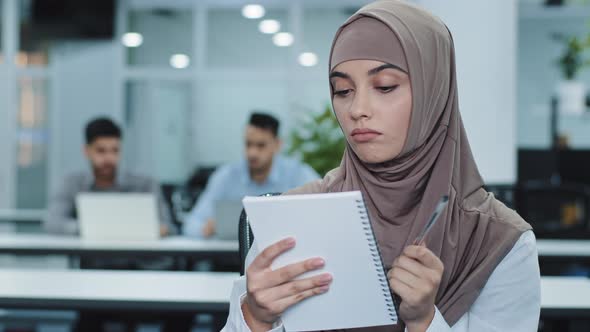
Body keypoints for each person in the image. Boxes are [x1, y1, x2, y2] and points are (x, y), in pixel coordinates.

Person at [222, 1, 540, 331]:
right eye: (342, 90)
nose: (357, 109)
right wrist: (256, 317)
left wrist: (425, 321)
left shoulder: (497, 241)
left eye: (385, 85)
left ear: (435, 93)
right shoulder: (294, 217)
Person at [45, 117, 192, 332]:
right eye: (101, 151)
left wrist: (155, 229)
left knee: (183, 312)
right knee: (88, 319)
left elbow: (167, 226)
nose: (109, 158)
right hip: (96, 280)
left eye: (115, 151)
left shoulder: (143, 183)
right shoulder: (73, 182)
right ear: (87, 151)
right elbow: (52, 222)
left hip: (144, 275)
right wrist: (90, 228)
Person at [184, 112, 320, 238]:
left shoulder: (298, 173)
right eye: (248, 144)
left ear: (277, 145)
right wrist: (204, 229)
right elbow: (191, 224)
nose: (252, 153)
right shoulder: (226, 176)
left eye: (261, 145)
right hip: (230, 258)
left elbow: (322, 212)